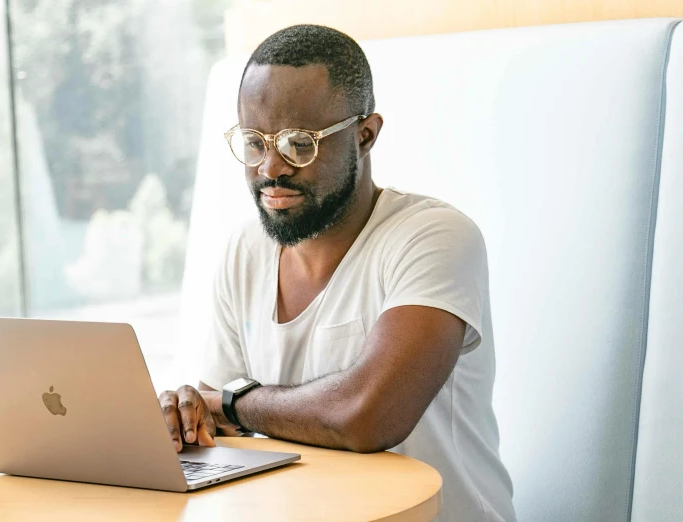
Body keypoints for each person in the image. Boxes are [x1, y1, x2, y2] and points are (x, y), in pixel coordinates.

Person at [159, 24, 516, 522]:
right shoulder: (244, 250)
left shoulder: (434, 237)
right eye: (254, 142)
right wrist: (189, 416)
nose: (271, 168)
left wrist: (231, 404)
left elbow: (369, 415)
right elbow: (221, 424)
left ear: (365, 135)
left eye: (299, 144)